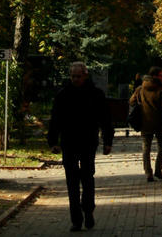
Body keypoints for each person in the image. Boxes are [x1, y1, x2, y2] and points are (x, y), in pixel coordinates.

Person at [48, 61, 113, 232]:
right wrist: (53, 141)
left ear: (85, 75)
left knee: (87, 177)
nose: (75, 79)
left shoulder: (95, 94)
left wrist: (108, 141)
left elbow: (105, 119)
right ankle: (76, 219)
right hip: (69, 142)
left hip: (87, 141)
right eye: (73, 76)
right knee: (71, 182)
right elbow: (56, 119)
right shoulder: (63, 95)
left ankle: (88, 209)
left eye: (78, 76)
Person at [129, 66, 162, 182]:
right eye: (161, 75)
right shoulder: (160, 90)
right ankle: (158, 170)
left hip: (145, 122)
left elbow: (131, 101)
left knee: (146, 149)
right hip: (159, 124)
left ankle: (148, 173)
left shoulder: (141, 88)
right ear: (155, 76)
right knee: (161, 147)